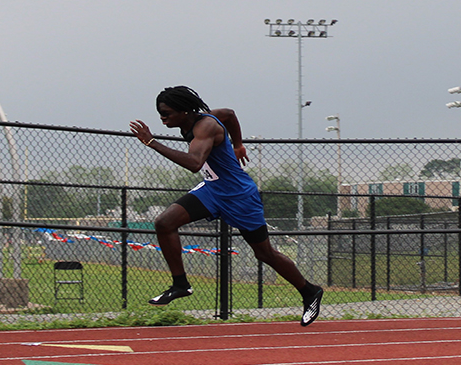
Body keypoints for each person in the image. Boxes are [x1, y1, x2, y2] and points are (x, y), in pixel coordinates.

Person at [129, 86, 324, 326]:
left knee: (264, 253)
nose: (162, 118)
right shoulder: (200, 118)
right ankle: (180, 284)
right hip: (212, 189)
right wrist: (238, 144)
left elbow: (193, 163)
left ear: (185, 111)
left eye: (167, 113)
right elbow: (230, 114)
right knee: (164, 222)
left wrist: (151, 142)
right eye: (160, 112)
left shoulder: (206, 126)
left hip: (239, 196)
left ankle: (309, 291)